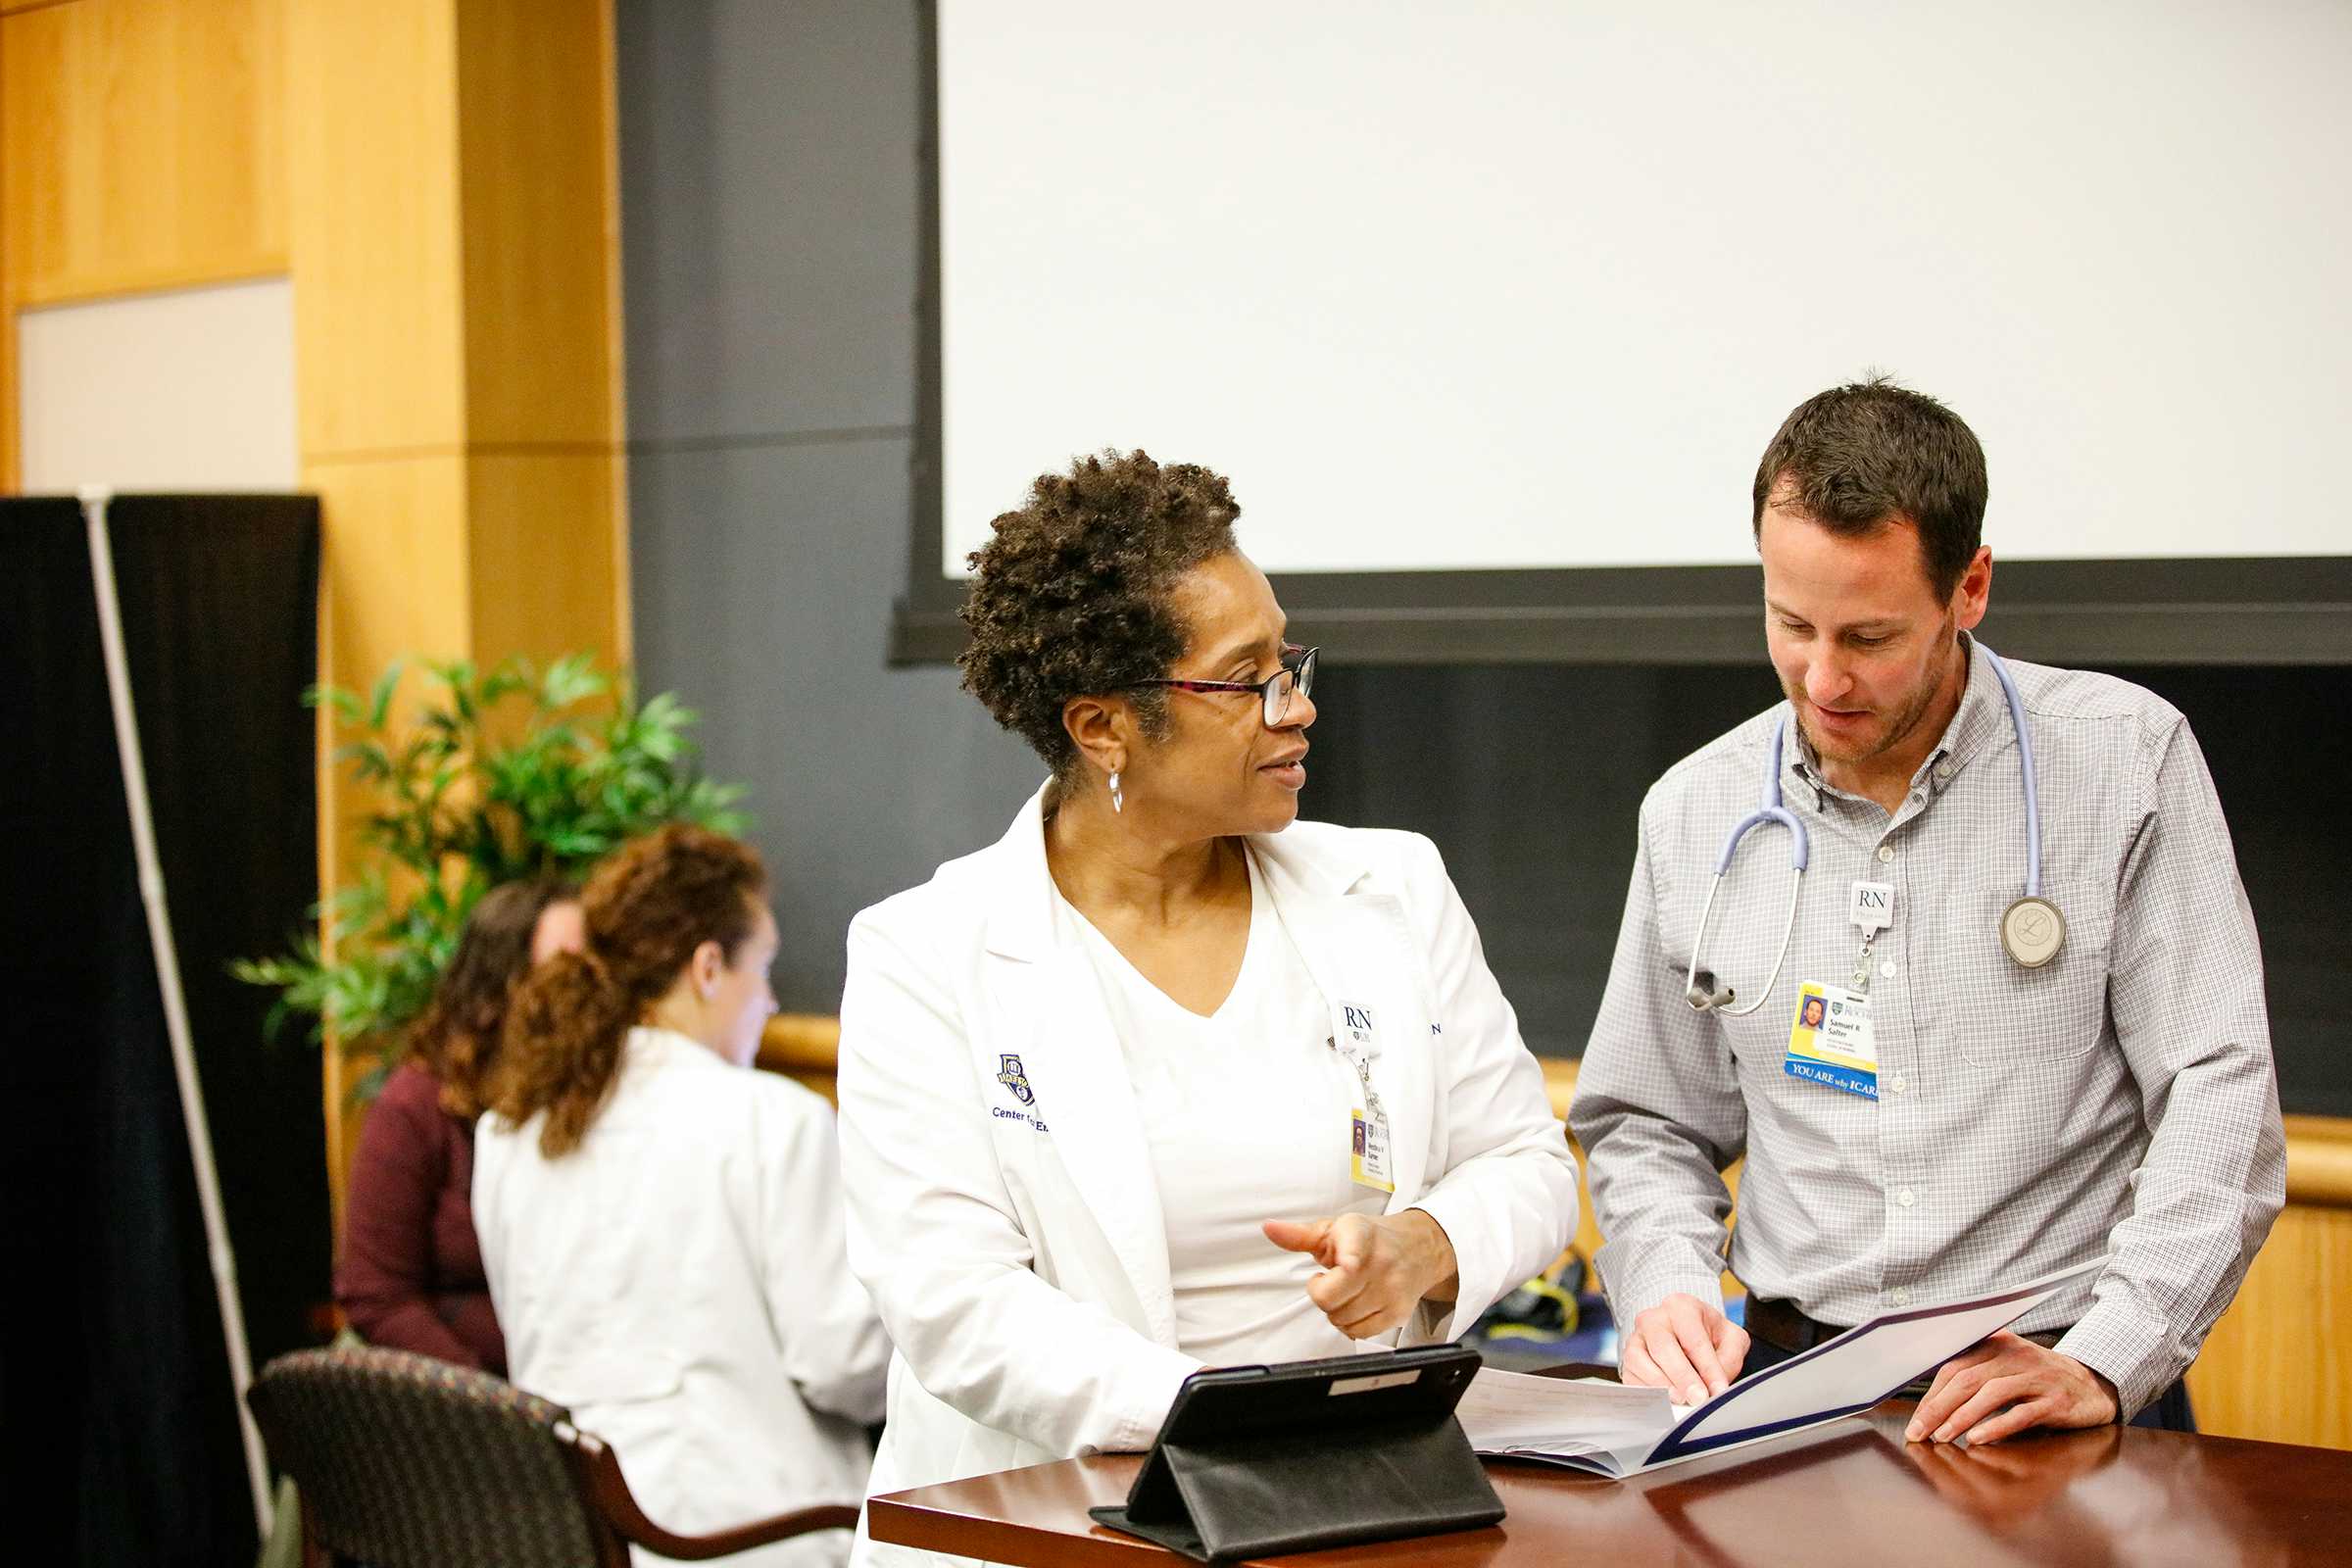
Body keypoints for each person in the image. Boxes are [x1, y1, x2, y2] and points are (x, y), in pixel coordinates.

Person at [836, 450, 1579, 1565]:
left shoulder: (1392, 891)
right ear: (1104, 728)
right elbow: (958, 1307)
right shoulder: (927, 956)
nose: (1301, 705)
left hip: (1348, 1516)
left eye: (1292, 660)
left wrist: (1422, 1248)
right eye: (1251, 678)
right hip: (1064, 1525)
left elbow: (1527, 1163)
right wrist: (1229, 1418)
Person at [1570, 379, 2284, 1446]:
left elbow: (2219, 1088)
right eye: (1790, 622)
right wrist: (1667, 1287)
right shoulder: (1697, 812)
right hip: (1785, 1393)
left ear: (1971, 587)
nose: (1821, 678)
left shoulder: (2124, 760)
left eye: (1868, 635)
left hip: (2050, 1391)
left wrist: (2112, 1352)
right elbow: (1648, 1122)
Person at [474, 825, 887, 1568]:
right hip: (749, 1538)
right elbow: (841, 1365)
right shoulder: (773, 1121)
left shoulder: (509, 1132)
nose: (766, 1002)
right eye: (762, 970)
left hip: (569, 1534)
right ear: (706, 968)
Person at [336, 877, 583, 1371]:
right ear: (501, 982)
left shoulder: (585, 1095)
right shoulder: (415, 1104)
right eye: (564, 970)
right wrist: (494, 1406)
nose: (585, 989)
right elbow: (375, 1294)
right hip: (467, 1404)